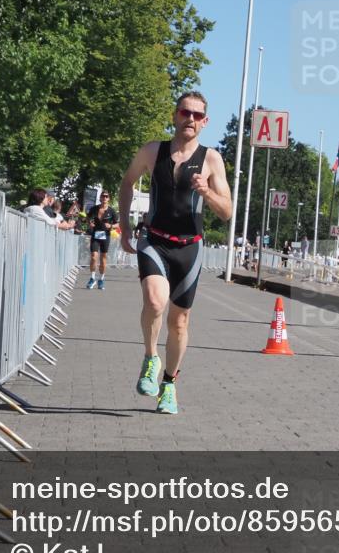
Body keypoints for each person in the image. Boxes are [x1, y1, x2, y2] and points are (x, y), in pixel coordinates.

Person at [119, 92, 232, 414]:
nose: (191, 120)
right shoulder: (153, 151)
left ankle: (169, 384)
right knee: (154, 301)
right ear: (175, 115)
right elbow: (127, 183)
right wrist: (125, 226)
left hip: (189, 248)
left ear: (205, 122)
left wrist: (206, 191)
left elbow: (226, 212)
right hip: (155, 240)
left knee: (179, 322)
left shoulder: (211, 159)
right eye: (186, 113)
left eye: (198, 116)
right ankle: (150, 357)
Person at [86, 191, 119, 290]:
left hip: (106, 236)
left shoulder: (112, 211)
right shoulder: (94, 209)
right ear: (100, 198)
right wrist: (89, 223)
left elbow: (118, 224)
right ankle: (92, 278)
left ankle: (101, 279)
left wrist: (111, 226)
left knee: (103, 259)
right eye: (103, 196)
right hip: (96, 235)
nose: (104, 198)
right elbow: (88, 218)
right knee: (93, 256)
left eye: (106, 196)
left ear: (109, 199)